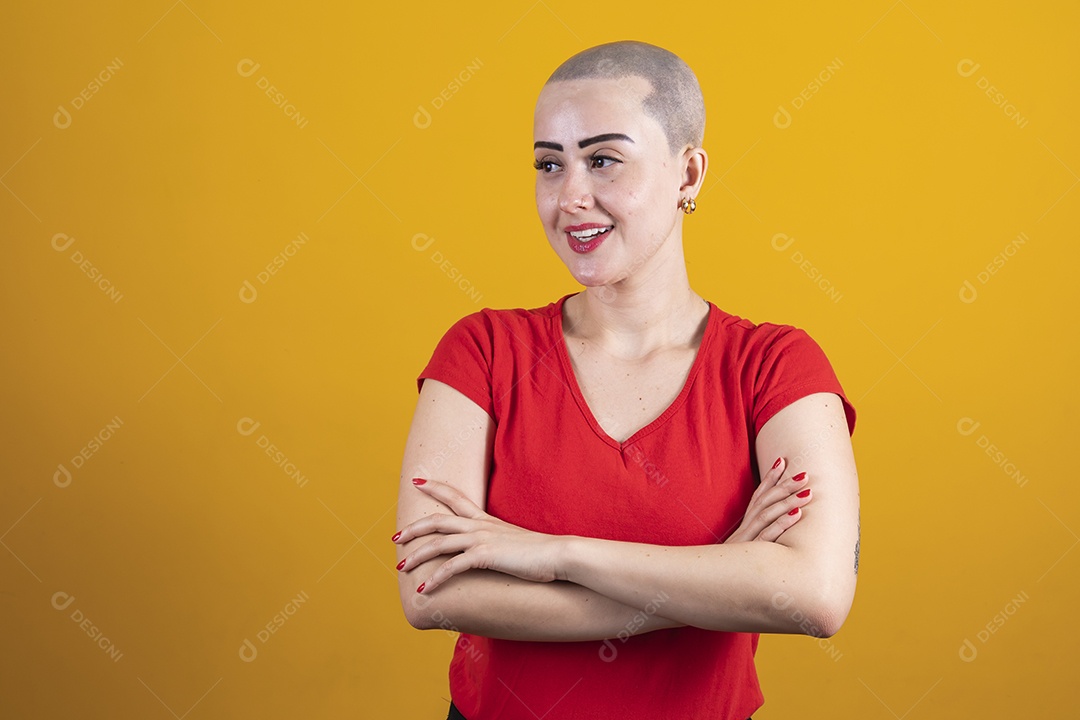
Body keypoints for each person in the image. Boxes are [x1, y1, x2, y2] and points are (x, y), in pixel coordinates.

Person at [392, 40, 859, 720]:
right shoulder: (484, 351)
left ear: (688, 173)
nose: (570, 196)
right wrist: (716, 577)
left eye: (603, 159)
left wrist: (553, 554)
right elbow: (431, 590)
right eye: (550, 164)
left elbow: (814, 596)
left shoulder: (775, 366)